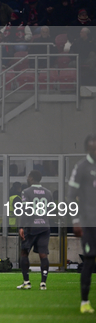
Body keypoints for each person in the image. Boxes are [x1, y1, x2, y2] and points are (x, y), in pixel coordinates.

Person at [68, 134, 96, 313]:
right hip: (88, 223)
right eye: (92, 147)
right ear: (88, 148)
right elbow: (71, 196)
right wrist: (75, 220)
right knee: (89, 259)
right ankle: (84, 302)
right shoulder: (81, 167)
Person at [17, 170, 53, 291]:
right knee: (43, 254)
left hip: (30, 226)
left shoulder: (26, 192)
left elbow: (25, 210)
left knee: (24, 252)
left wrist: (21, 226)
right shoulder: (48, 192)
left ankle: (27, 282)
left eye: (28, 176)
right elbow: (51, 209)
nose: (27, 178)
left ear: (31, 178)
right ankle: (43, 283)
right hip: (44, 226)